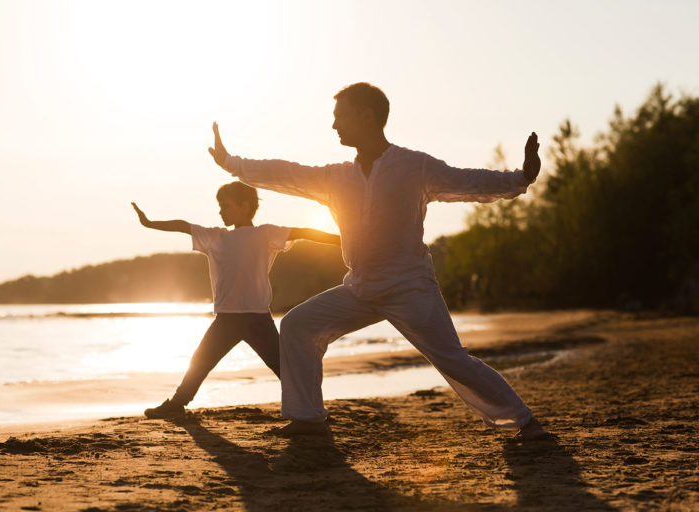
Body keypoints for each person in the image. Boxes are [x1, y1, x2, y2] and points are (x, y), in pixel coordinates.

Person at [207, 82, 549, 441]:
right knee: (297, 325)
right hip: (359, 287)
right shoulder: (336, 177)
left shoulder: (413, 167)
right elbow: (287, 173)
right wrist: (232, 164)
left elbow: (466, 182)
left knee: (453, 359)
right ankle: (308, 418)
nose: (334, 125)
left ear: (366, 115)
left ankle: (524, 421)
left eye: (340, 117)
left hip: (410, 285)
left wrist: (521, 178)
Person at [132, 181, 341, 419]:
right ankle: (178, 403)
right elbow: (183, 226)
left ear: (245, 206)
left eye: (225, 206)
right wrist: (149, 223)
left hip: (257, 318)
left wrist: (341, 240)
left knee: (284, 367)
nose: (221, 211)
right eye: (219, 206)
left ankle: (311, 407)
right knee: (200, 361)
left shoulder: (265, 234)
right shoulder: (216, 237)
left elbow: (304, 232)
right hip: (226, 319)